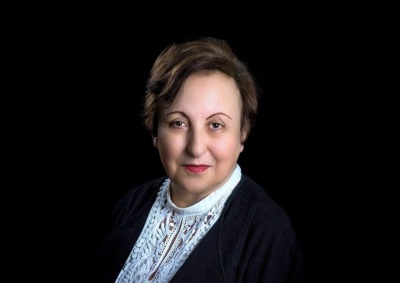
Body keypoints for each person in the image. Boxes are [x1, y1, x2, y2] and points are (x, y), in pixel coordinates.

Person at [93, 37, 306, 283]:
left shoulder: (268, 235)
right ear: (154, 132)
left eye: (216, 125)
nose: (195, 148)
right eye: (178, 123)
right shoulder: (130, 205)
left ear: (242, 133)